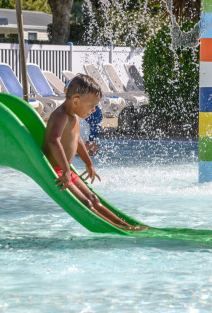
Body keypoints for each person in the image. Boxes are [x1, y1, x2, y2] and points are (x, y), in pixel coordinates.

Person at [42, 74, 146, 231]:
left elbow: (77, 141)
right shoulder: (61, 115)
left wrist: (88, 163)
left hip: (66, 170)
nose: (94, 109)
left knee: (93, 198)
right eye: (92, 105)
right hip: (57, 172)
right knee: (86, 203)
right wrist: (65, 169)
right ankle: (116, 227)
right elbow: (53, 141)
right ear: (76, 101)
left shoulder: (74, 116)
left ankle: (123, 224)